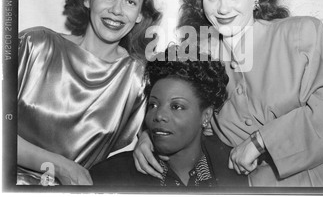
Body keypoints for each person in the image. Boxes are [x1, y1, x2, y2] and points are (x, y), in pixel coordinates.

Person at [133, 0, 323, 187]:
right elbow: (178, 109)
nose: (222, 8)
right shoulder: (199, 53)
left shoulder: (301, 34)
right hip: (253, 188)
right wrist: (149, 136)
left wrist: (260, 141)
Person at [17, 0, 161, 185]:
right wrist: (60, 167)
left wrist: (146, 138)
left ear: (140, 15)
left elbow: (157, 123)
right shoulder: (34, 44)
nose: (116, 10)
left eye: (130, 2)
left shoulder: (139, 77)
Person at [90, 45, 248, 188]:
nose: (159, 115)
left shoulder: (235, 171)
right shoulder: (109, 177)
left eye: (176, 106)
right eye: (153, 105)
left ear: (205, 116)